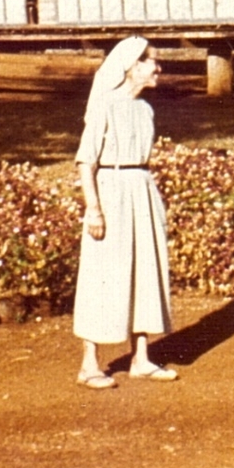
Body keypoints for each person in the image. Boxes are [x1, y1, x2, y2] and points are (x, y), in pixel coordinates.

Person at [72, 36, 177, 389]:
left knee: (145, 270)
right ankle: (89, 364)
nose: (158, 68)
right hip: (111, 192)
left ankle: (141, 358)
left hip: (142, 191)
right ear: (132, 66)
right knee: (103, 272)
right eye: (152, 61)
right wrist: (94, 209)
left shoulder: (145, 109)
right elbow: (86, 162)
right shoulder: (105, 105)